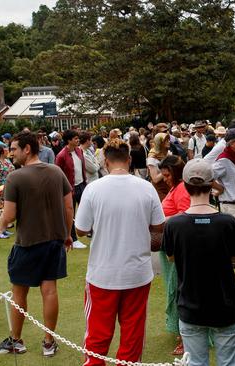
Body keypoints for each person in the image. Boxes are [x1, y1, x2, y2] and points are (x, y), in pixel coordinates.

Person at [75, 139, 165, 365]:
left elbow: (81, 230)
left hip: (103, 273)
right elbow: (158, 226)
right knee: (132, 336)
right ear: (129, 159)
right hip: (136, 272)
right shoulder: (146, 187)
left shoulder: (93, 189)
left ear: (105, 161)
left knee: (97, 335)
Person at [0, 131, 73, 356]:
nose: (11, 154)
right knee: (49, 291)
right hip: (54, 241)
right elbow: (69, 206)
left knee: (19, 293)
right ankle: (48, 342)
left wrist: (1, 226)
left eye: (14, 149)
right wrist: (67, 234)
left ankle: (16, 340)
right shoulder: (56, 171)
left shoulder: (15, 177)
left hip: (27, 243)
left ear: (27, 149)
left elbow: (8, 215)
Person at [162, 159, 235, 366]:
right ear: (211, 184)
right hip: (224, 303)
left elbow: (171, 257)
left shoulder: (174, 224)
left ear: (186, 185)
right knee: (228, 362)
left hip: (191, 303)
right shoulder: (228, 222)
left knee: (196, 362)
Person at [157, 155, 190, 355]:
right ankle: (182, 333)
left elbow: (186, 214)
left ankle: (186, 337)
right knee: (175, 289)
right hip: (171, 247)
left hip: (178, 249)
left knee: (180, 291)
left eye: (167, 174)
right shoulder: (175, 188)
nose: (164, 178)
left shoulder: (181, 189)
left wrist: (162, 220)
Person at [55, 129, 88, 249]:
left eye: (78, 138)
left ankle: (88, 231)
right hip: (69, 188)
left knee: (86, 209)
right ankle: (73, 238)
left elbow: (81, 168)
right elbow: (57, 173)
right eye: (75, 138)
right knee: (71, 212)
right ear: (69, 140)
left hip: (81, 185)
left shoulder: (79, 151)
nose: (78, 140)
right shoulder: (61, 155)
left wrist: (85, 182)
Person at [147, 132, 172, 200]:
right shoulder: (152, 157)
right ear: (160, 143)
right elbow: (155, 179)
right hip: (159, 189)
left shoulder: (167, 153)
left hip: (169, 186)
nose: (169, 142)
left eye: (168, 140)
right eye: (166, 141)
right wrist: (167, 167)